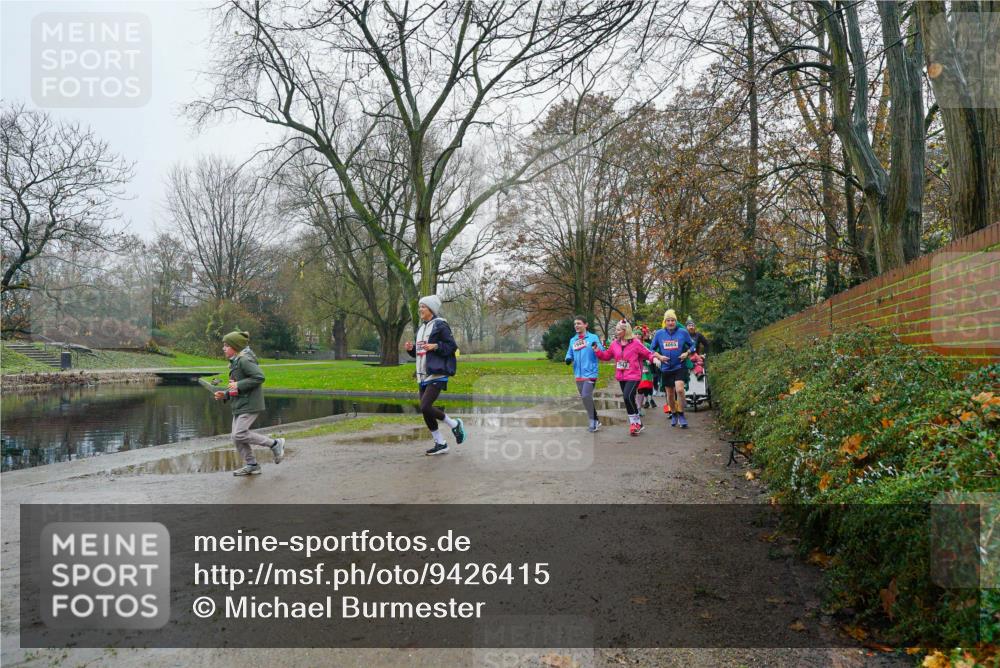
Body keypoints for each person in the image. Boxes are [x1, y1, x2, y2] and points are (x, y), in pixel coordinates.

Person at [213, 330, 285, 476]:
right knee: (236, 437)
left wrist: (238, 384)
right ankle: (252, 465)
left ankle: (275, 444)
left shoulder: (244, 361)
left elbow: (259, 377)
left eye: (226, 345)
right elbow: (237, 385)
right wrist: (226, 394)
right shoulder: (235, 362)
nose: (223, 348)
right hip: (240, 404)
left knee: (239, 434)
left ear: (235, 347)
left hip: (250, 404)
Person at [404, 295, 465, 455]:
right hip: (422, 375)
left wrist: (436, 346)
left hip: (437, 373)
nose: (420, 310)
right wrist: (411, 349)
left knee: (425, 406)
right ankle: (441, 443)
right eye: (420, 307)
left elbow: (452, 347)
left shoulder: (440, 325)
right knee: (425, 410)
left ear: (431, 309)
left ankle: (454, 424)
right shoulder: (421, 328)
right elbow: (420, 352)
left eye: (423, 307)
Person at [593, 319, 664, 436]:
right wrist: (597, 351)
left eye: (618, 330)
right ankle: (637, 423)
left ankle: (634, 423)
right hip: (621, 376)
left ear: (625, 331)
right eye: (616, 329)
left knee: (627, 396)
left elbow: (647, 353)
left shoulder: (636, 343)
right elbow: (606, 356)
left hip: (634, 375)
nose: (616, 332)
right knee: (629, 399)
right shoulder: (614, 344)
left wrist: (654, 359)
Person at [649, 309, 695, 428]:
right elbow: (651, 349)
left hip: (679, 365)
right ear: (665, 322)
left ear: (676, 321)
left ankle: (681, 414)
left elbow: (693, 345)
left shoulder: (683, 332)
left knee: (679, 390)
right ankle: (674, 413)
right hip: (666, 368)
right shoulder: (659, 334)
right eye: (668, 320)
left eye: (673, 320)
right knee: (669, 394)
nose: (670, 323)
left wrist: (687, 353)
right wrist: (659, 357)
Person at [564, 315, 604, 433]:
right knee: (585, 398)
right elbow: (569, 353)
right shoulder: (573, 340)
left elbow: (601, 351)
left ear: (585, 325)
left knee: (586, 396)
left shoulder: (593, 337)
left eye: (579, 323)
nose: (576, 325)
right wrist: (568, 358)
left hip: (590, 372)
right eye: (575, 324)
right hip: (578, 374)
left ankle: (592, 421)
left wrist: (596, 347)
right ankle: (596, 419)